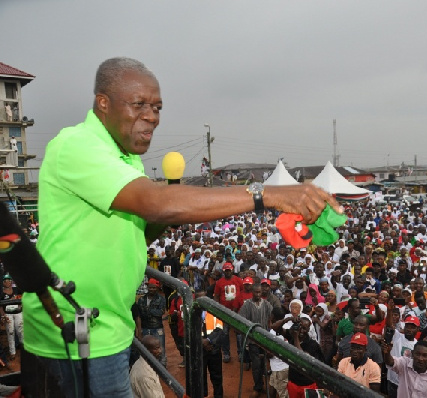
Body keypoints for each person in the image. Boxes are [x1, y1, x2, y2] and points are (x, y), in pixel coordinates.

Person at [23, 55, 339, 398]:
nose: (151, 116)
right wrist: (268, 194)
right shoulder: (77, 145)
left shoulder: (125, 160)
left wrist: (171, 203)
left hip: (108, 327)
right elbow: (155, 203)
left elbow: (141, 230)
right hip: (71, 334)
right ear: (103, 103)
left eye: (157, 107)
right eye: (139, 104)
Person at [239, 283, 273, 398]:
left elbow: (271, 319)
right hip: (253, 340)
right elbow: (241, 320)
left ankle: (262, 384)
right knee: (256, 364)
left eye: (260, 292)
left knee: (264, 363)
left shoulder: (267, 304)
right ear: (252, 292)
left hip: (264, 339)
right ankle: (257, 387)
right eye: (256, 292)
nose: (258, 294)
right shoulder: (247, 305)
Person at [287, 318, 324, 398]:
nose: (301, 330)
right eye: (299, 327)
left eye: (304, 328)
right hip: (293, 383)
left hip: (308, 384)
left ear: (308, 329)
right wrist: (288, 319)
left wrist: (296, 338)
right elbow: (275, 327)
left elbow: (302, 358)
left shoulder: (313, 344)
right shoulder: (291, 337)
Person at [214, 262, 243, 363]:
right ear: (223, 271)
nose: (227, 272)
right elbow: (216, 296)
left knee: (238, 334)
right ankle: (226, 353)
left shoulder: (238, 280)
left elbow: (243, 292)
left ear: (232, 270)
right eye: (226, 271)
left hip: (237, 312)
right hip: (224, 311)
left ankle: (240, 353)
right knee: (224, 333)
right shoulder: (219, 282)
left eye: (229, 270)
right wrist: (218, 308)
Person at [137, 278, 167, 366]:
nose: (152, 289)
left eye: (154, 288)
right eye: (150, 287)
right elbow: (139, 314)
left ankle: (162, 369)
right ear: (147, 287)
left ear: (157, 288)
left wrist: (148, 310)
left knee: (160, 350)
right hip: (145, 328)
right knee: (146, 350)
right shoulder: (141, 299)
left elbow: (161, 312)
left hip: (157, 328)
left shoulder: (161, 299)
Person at [1, 274, 23, 362]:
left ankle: (25, 350)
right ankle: (12, 352)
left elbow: (22, 298)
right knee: (10, 332)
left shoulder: (16, 290)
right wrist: (3, 315)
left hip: (18, 312)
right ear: (3, 282)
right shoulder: (1, 293)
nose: (7, 282)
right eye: (5, 280)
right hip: (8, 314)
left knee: (21, 331)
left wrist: (21, 306)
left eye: (9, 280)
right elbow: (0, 306)